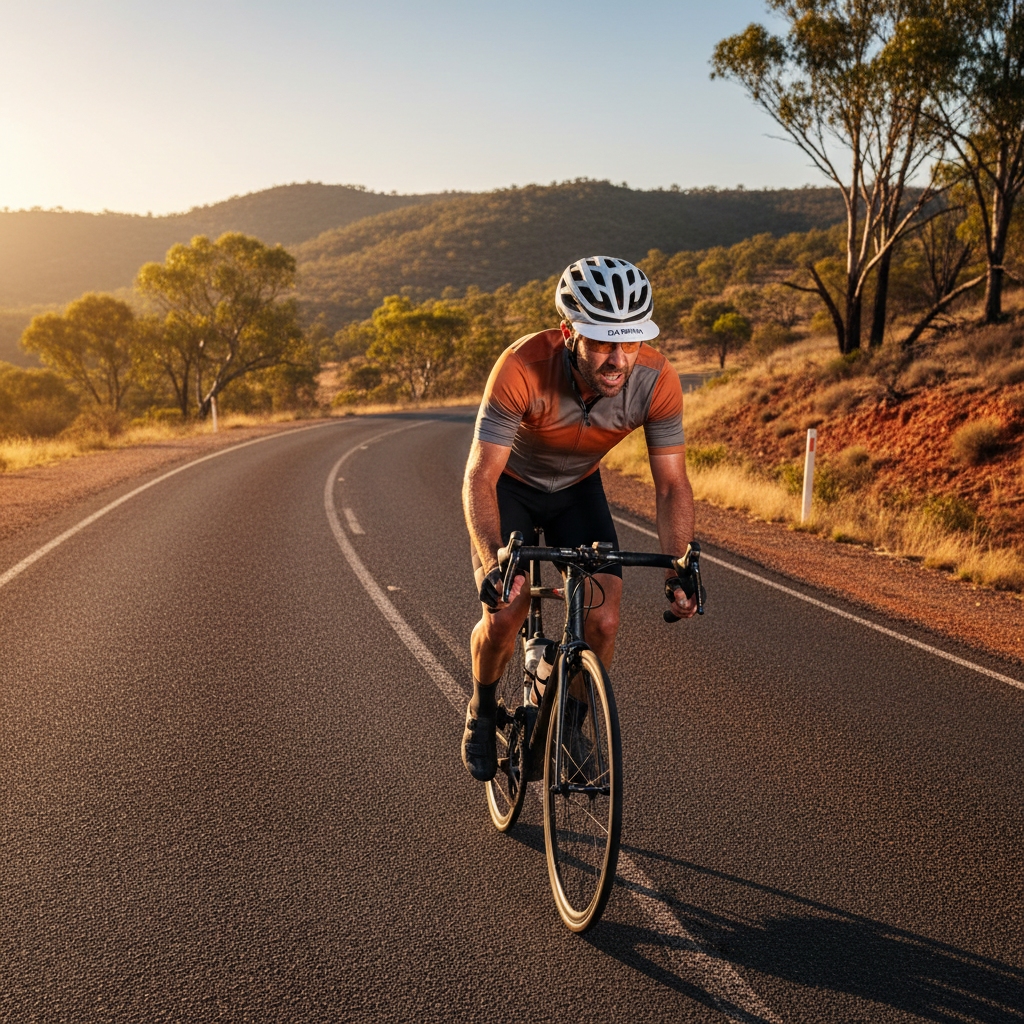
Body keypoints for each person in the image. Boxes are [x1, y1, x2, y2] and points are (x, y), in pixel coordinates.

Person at [461, 255, 698, 781]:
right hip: (510, 488)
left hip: (576, 491)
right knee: (506, 612)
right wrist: (494, 561)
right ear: (570, 332)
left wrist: (678, 566)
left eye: (630, 342)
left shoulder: (657, 381)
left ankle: (571, 724)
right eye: (602, 342)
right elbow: (479, 477)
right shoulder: (521, 367)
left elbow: (672, 485)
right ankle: (481, 708)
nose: (618, 358)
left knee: (604, 619)